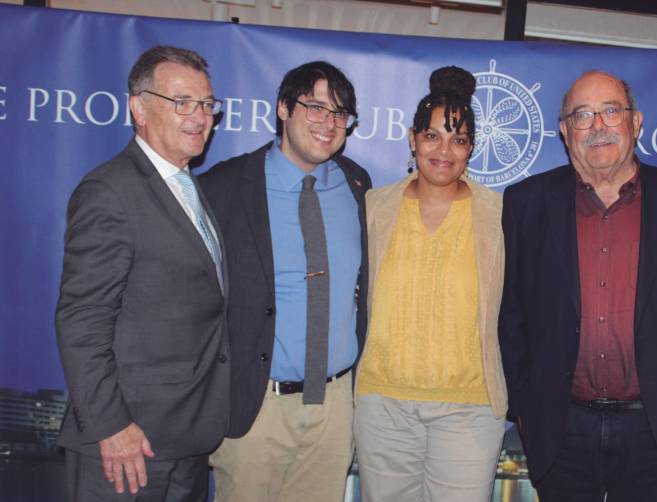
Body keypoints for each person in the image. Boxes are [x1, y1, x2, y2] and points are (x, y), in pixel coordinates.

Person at [498, 71, 657, 501]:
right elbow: (511, 314)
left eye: (611, 111)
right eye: (582, 115)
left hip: (655, 432)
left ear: (636, 123)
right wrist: (524, 406)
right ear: (564, 130)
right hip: (560, 429)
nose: (598, 126)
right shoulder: (525, 204)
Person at [55, 46, 228, 501]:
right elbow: (82, 320)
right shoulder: (110, 191)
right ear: (139, 107)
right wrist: (111, 426)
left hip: (184, 441)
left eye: (207, 104)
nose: (199, 116)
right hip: (127, 446)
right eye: (182, 102)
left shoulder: (187, 186)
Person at [199, 61, 370, 502]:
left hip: (334, 406)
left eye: (339, 114)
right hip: (257, 406)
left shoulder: (356, 185)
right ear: (282, 108)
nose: (328, 123)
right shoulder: (226, 186)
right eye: (315, 107)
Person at [353, 66, 507, 502]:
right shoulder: (373, 207)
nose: (445, 150)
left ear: (471, 148)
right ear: (412, 138)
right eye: (433, 136)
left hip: (470, 409)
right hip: (381, 404)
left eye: (458, 139)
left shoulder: (498, 215)